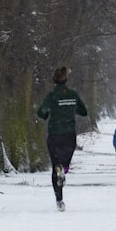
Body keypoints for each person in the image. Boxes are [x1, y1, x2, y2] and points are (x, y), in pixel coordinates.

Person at [37, 66, 88, 211]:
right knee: (65, 162)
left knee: (55, 165)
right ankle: (63, 169)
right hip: (69, 134)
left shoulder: (52, 96)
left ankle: (59, 200)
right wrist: (72, 108)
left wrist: (47, 114)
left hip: (54, 134)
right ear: (66, 79)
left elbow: (41, 112)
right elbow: (83, 112)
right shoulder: (73, 94)